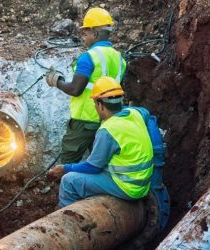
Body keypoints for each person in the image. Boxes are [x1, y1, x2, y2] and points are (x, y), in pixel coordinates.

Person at [48, 77, 153, 207]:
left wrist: (65, 168)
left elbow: (93, 167)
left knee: (69, 181)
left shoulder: (108, 130)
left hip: (128, 187)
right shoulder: (135, 114)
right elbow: (146, 112)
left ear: (99, 104)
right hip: (142, 183)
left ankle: (66, 218)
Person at [46, 7, 127, 164]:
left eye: (85, 33)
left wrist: (57, 81)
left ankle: (66, 187)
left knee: (69, 159)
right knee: (98, 161)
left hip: (84, 121)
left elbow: (76, 89)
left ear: (95, 33)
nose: (84, 38)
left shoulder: (89, 57)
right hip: (108, 119)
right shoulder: (120, 59)